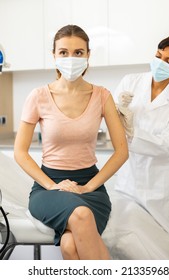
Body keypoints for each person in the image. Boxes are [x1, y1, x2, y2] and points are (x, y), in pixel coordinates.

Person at [14, 24, 128, 260]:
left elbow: (122, 151)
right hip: (49, 187)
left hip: (91, 186)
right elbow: (20, 152)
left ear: (88, 55)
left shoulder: (102, 96)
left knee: (69, 245)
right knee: (81, 216)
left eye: (78, 52)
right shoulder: (38, 96)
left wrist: (88, 187)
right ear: (54, 56)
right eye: (64, 52)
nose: (71, 58)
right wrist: (50, 185)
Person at [114, 35, 169, 240]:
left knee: (161, 244)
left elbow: (168, 145)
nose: (160, 63)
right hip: (129, 179)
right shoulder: (130, 82)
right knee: (126, 241)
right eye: (158, 56)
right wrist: (116, 110)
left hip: (160, 185)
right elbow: (112, 124)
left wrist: (131, 130)